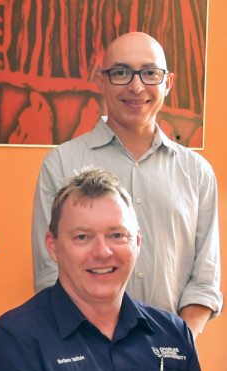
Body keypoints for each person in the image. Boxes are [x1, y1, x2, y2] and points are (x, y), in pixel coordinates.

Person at [31, 32, 221, 339]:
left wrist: (176, 345)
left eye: (150, 73)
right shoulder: (62, 163)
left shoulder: (197, 172)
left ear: (167, 83)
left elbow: (205, 282)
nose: (136, 86)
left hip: (168, 358)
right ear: (101, 81)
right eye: (121, 72)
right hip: (87, 354)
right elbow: (49, 273)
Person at [0, 168, 203, 371]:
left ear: (137, 242)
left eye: (117, 235)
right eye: (82, 237)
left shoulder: (175, 334)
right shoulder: (13, 343)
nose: (103, 252)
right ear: (52, 247)